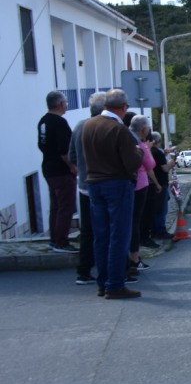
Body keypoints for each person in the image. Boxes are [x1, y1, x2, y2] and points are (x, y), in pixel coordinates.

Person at [82, 89, 143, 299]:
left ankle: (103, 282)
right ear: (124, 107)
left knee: (101, 236)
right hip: (117, 184)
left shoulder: (88, 125)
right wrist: (139, 152)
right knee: (119, 235)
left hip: (94, 183)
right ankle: (115, 284)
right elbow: (132, 163)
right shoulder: (119, 130)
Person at [68, 92, 108, 285]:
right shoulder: (105, 127)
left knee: (87, 230)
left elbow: (72, 156)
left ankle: (84, 271)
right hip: (105, 185)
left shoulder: (79, 126)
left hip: (84, 185)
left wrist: (82, 170)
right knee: (110, 229)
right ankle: (114, 270)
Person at [37, 90, 78, 252]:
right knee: (65, 207)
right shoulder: (59, 123)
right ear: (60, 104)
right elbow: (63, 150)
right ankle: (61, 241)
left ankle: (54, 239)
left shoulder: (43, 121)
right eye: (65, 103)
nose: (66, 105)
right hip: (61, 170)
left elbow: (41, 145)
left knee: (55, 206)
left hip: (48, 167)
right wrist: (72, 166)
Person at [128, 115, 157, 273]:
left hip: (128, 184)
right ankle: (134, 258)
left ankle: (131, 258)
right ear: (144, 129)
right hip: (138, 185)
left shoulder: (127, 136)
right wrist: (148, 149)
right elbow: (150, 163)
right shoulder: (139, 143)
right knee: (135, 223)